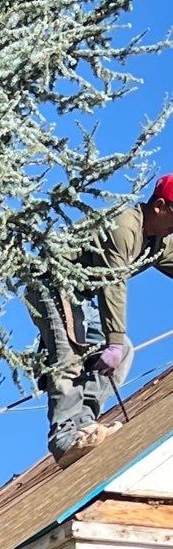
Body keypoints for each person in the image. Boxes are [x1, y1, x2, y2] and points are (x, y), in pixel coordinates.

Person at [27, 175, 173, 468]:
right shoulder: (123, 226)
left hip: (80, 297)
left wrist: (117, 345)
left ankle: (84, 422)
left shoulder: (160, 241)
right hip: (51, 284)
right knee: (69, 354)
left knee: (125, 350)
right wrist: (112, 342)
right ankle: (64, 436)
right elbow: (112, 284)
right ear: (159, 206)